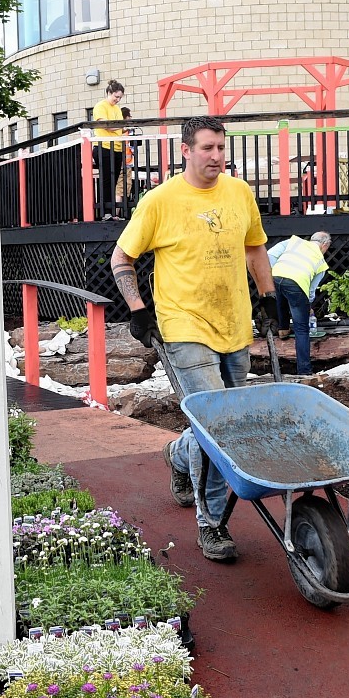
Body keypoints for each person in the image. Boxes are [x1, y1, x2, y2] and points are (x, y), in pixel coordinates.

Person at [110, 116, 277, 562]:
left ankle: (179, 454)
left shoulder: (239, 193)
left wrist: (269, 294)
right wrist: (138, 308)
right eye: (207, 148)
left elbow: (254, 246)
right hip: (184, 327)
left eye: (221, 147)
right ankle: (212, 524)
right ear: (185, 150)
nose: (217, 156)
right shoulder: (160, 200)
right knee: (219, 427)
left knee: (227, 425)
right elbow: (122, 257)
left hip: (235, 325)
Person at [268, 232, 332, 376]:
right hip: (296, 284)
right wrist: (307, 306)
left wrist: (276, 270)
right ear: (325, 245)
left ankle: (283, 329)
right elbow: (310, 291)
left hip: (277, 275)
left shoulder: (294, 242)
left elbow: (270, 254)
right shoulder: (321, 263)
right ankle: (304, 371)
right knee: (302, 329)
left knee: (282, 296)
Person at [91, 80, 126, 217]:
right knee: (106, 180)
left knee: (114, 180)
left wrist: (123, 128)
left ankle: (111, 212)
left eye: (120, 98)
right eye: (116, 97)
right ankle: (105, 212)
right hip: (103, 146)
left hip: (116, 147)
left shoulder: (117, 109)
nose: (117, 100)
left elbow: (117, 127)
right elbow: (105, 125)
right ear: (109, 93)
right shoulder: (100, 106)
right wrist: (121, 127)